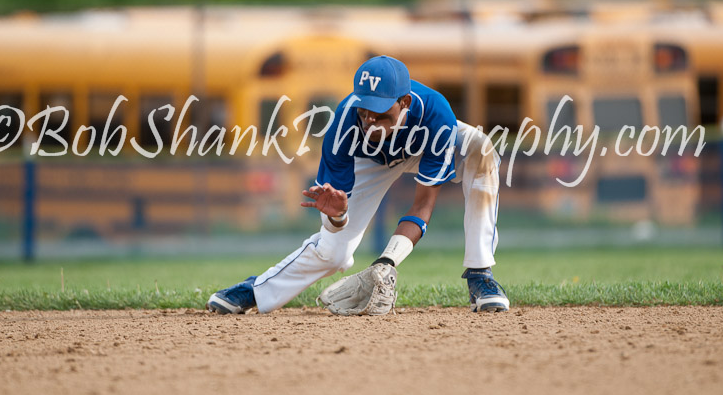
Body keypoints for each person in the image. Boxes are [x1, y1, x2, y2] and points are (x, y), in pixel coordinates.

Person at [207, 55, 509, 314]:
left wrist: (387, 262)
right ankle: (258, 289)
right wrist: (338, 216)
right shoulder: (344, 124)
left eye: (381, 113)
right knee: (333, 252)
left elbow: (422, 206)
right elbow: (334, 221)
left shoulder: (436, 115)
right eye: (364, 111)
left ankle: (480, 274)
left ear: (404, 102)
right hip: (370, 160)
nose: (370, 122)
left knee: (482, 150)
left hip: (424, 144)